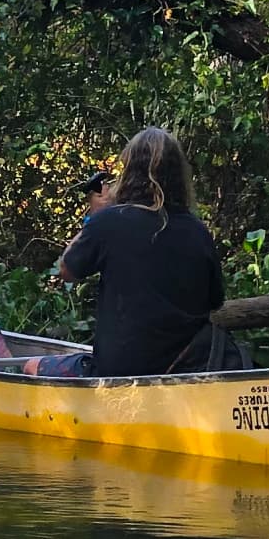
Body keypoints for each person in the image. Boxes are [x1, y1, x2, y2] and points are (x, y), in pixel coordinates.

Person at [53, 126, 224, 376]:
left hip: (119, 371)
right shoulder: (198, 231)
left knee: (31, 366)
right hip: (186, 369)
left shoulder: (108, 222)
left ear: (130, 171)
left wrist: (95, 217)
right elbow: (215, 301)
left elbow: (67, 270)